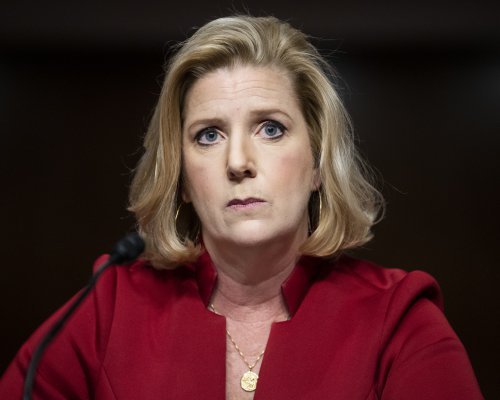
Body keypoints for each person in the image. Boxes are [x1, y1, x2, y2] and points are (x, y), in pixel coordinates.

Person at [0, 15, 483, 400]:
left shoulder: (398, 318)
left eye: (270, 128)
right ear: (182, 178)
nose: (237, 162)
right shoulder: (109, 306)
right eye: (208, 135)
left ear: (317, 164)